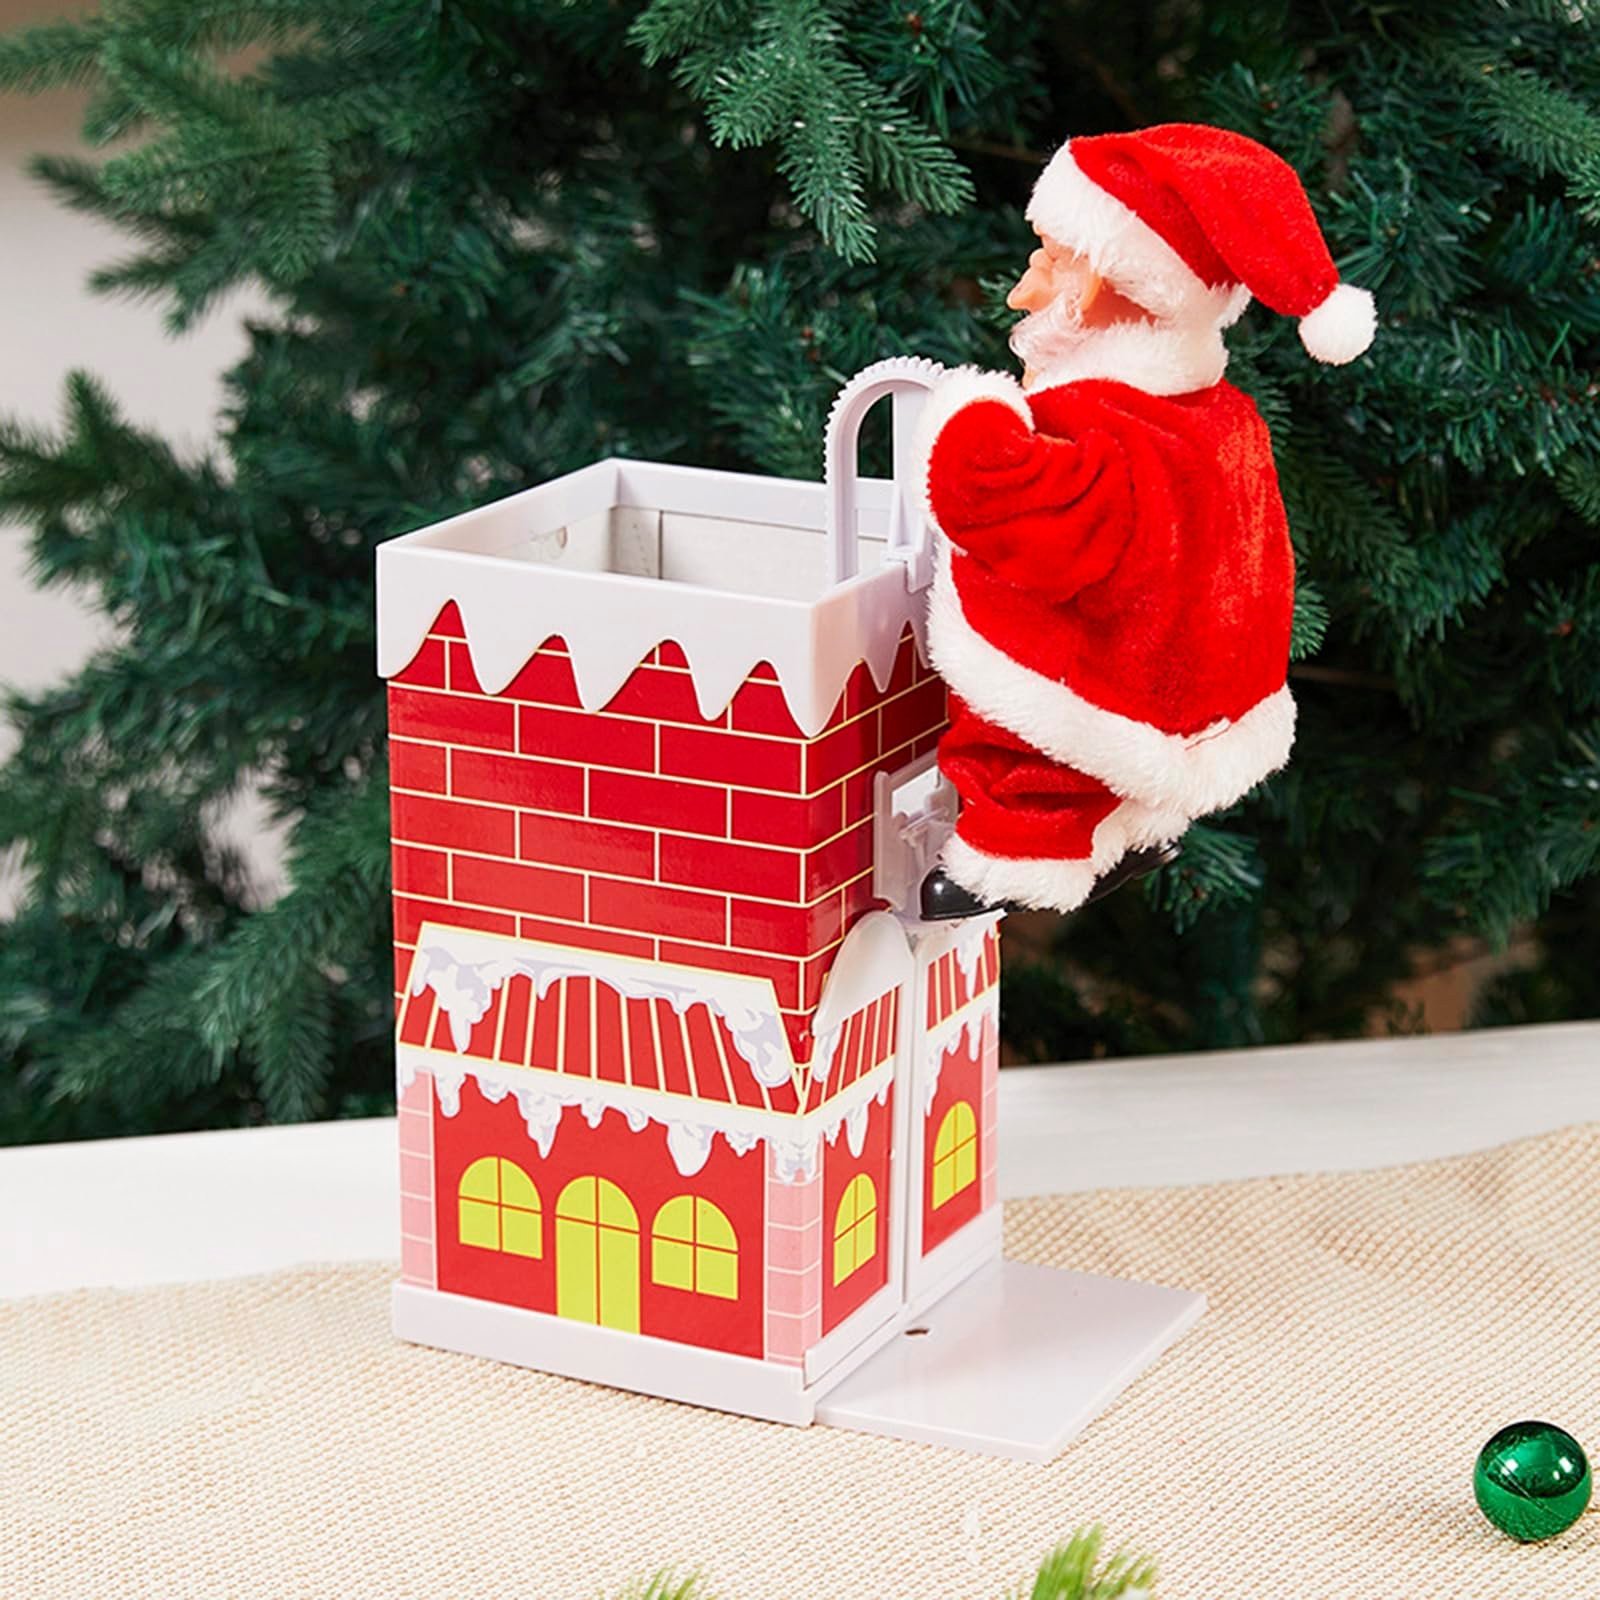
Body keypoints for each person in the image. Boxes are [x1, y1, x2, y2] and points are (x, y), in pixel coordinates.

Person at [916, 123, 1376, 920]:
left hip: (1108, 677)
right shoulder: (1217, 413)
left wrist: (969, 415)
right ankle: (1138, 828)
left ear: (1098, 283)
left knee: (1031, 746)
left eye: (1049, 260)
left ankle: (1015, 858)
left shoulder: (1099, 422)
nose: (1024, 290)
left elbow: (1018, 514)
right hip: (1192, 674)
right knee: (1116, 765)